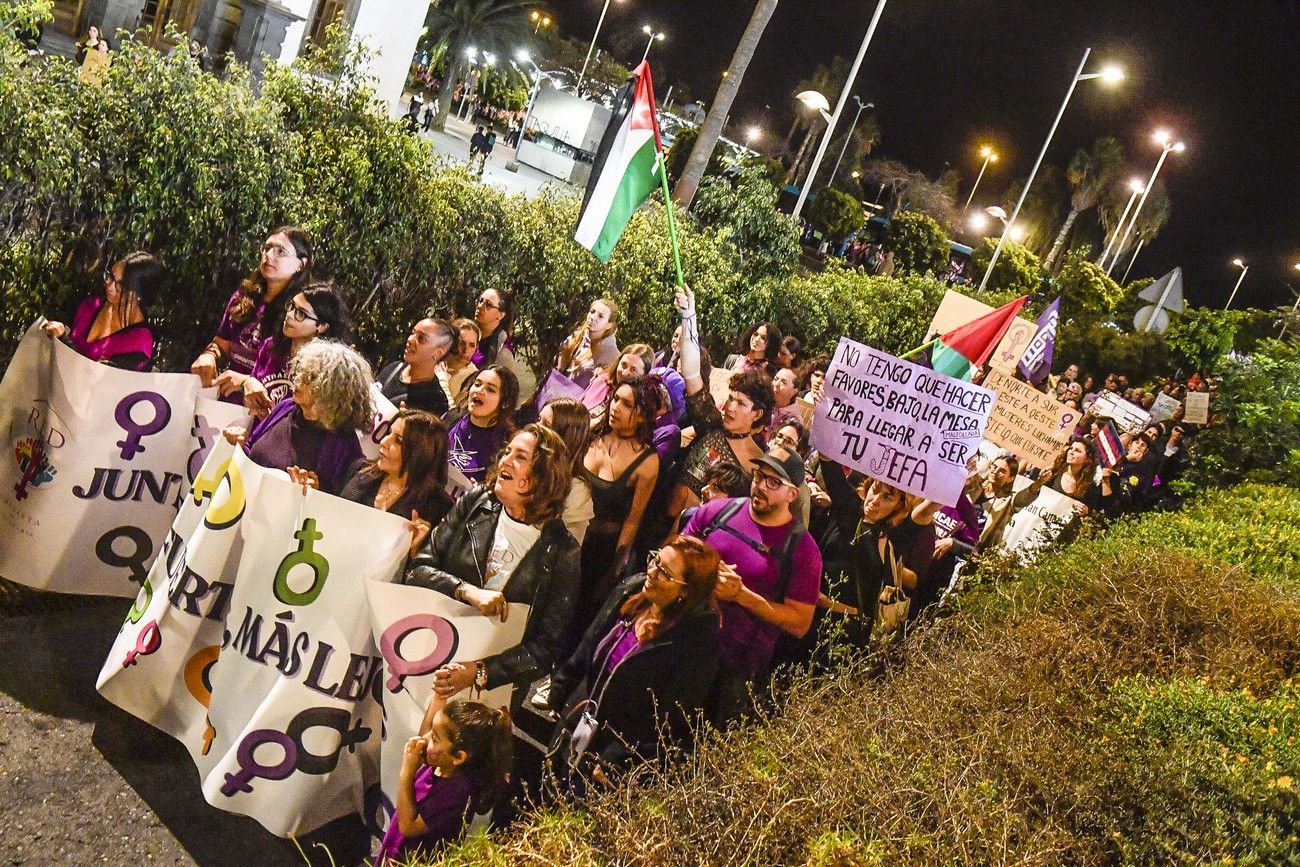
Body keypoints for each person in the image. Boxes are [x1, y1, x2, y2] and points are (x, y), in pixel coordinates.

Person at [406, 425, 580, 719]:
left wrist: (480, 671)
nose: (504, 461)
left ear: (542, 476)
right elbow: (419, 569)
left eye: (520, 457)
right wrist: (465, 590)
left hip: (488, 698)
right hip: (427, 654)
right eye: (506, 451)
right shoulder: (475, 502)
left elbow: (544, 649)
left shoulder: (563, 552)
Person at [547, 536, 722, 790]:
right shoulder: (633, 589)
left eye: (665, 573)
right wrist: (562, 686)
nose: (651, 571)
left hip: (611, 754)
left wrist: (621, 760)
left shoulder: (697, 643)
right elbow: (591, 640)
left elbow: (668, 720)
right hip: (577, 720)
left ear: (686, 590)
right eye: (655, 560)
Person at [682, 446, 821, 721]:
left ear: (793, 494)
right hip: (683, 640)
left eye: (774, 483)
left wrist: (741, 595)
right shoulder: (717, 512)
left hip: (732, 671)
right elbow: (676, 551)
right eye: (759, 476)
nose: (761, 486)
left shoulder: (803, 551)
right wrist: (705, 570)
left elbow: (800, 623)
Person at [668, 285, 773, 522]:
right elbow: (692, 373)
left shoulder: (757, 466)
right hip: (659, 516)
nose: (729, 407)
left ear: (757, 413)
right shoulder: (711, 423)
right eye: (730, 399)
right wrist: (688, 319)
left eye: (741, 403)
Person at [375, 692, 512, 865]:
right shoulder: (447, 766)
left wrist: (407, 772)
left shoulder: (456, 792)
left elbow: (408, 826)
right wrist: (438, 699)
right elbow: (424, 738)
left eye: (434, 737)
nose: (423, 740)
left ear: (458, 757)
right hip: (400, 847)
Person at [223, 341, 374, 496]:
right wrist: (239, 444)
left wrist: (316, 493)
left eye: (310, 377)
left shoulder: (344, 443)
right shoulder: (286, 407)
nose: (298, 380)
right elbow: (250, 448)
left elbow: (342, 502)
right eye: (300, 371)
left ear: (333, 389)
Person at [574, 378, 661, 639]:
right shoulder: (591, 435)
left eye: (627, 404)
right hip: (566, 534)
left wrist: (614, 568)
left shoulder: (647, 461)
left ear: (643, 414)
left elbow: (633, 520)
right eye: (615, 399)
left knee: (577, 620)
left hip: (598, 550)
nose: (616, 407)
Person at [818, 458, 939, 640]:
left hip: (844, 632)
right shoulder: (850, 511)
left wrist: (950, 483)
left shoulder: (893, 538)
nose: (875, 501)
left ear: (899, 505)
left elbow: (923, 513)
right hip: (809, 614)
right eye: (875, 490)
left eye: (887, 497)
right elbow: (829, 467)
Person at [191, 226, 314, 397]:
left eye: (280, 251)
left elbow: (297, 381)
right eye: (267, 248)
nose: (269, 255)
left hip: (267, 412)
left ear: (301, 264)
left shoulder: (301, 313)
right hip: (227, 407)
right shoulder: (244, 298)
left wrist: (245, 382)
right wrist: (209, 356)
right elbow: (221, 344)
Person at [220, 282, 349, 417]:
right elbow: (253, 399)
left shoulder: (324, 369)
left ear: (322, 326)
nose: (290, 315)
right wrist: (247, 384)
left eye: (301, 314)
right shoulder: (271, 347)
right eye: (291, 306)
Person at [336, 409, 454, 549]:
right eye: (388, 433)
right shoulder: (359, 470)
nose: (384, 441)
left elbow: (429, 566)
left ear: (422, 453)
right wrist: (310, 493)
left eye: (398, 440)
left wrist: (417, 551)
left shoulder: (440, 507)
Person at [42, 251, 167, 371]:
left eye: (120, 285)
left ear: (139, 294)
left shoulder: (139, 341)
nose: (109, 285)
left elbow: (96, 377)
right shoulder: (91, 305)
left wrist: (63, 338)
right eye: (110, 276)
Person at [447, 365, 519, 485]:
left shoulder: (507, 442)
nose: (479, 391)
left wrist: (481, 491)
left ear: (505, 403)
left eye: (490, 389)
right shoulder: (452, 417)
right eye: (477, 384)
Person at [539, 397, 595, 547]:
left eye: (545, 424)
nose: (536, 428)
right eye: (539, 420)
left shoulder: (576, 491)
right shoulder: (525, 462)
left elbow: (567, 551)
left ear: (565, 437)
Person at [379, 318, 456, 416]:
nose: (410, 339)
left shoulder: (435, 401)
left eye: (421, 338)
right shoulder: (394, 368)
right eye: (412, 333)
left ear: (438, 352)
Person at [472, 288, 535, 401]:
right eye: (480, 301)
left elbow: (504, 394)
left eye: (488, 305)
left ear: (500, 315)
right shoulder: (470, 334)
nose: (480, 306)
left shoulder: (503, 353)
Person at [555, 298, 620, 390]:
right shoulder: (577, 336)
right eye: (592, 312)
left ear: (609, 325)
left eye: (600, 316)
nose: (593, 317)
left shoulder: (611, 354)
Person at [580, 343, 655, 422]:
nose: (624, 373)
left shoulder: (637, 407)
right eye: (623, 365)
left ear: (645, 375)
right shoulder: (602, 381)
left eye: (634, 370)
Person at [438, 318, 480, 406]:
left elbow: (453, 414)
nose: (466, 350)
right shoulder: (436, 361)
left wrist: (442, 380)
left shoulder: (473, 378)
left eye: (472, 345)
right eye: (462, 343)